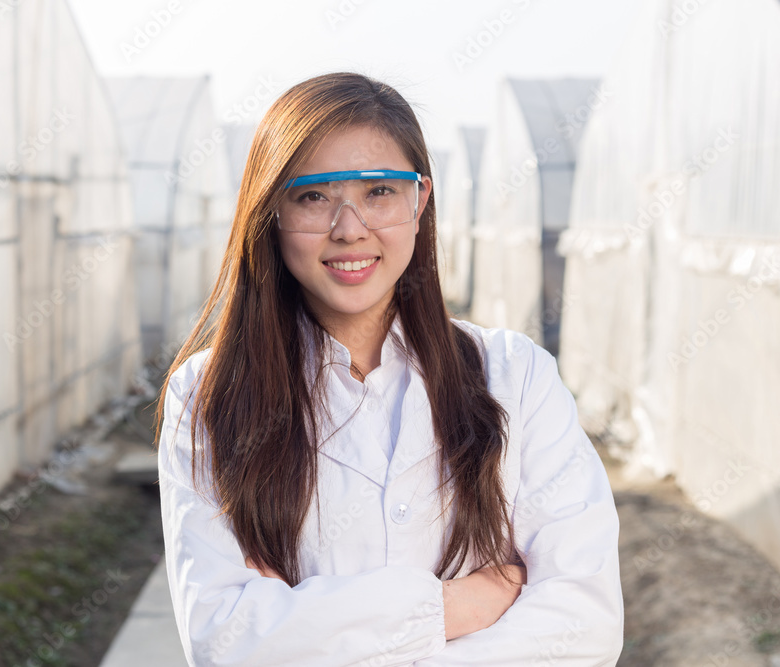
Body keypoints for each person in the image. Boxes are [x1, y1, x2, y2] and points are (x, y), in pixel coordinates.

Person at [155, 72, 623, 666]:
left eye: (380, 192)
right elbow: (224, 641)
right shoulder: (208, 394)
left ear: (420, 201)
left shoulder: (516, 377)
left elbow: (582, 628)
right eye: (314, 196)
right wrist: (452, 609)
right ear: (270, 211)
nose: (350, 228)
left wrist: (309, 629)